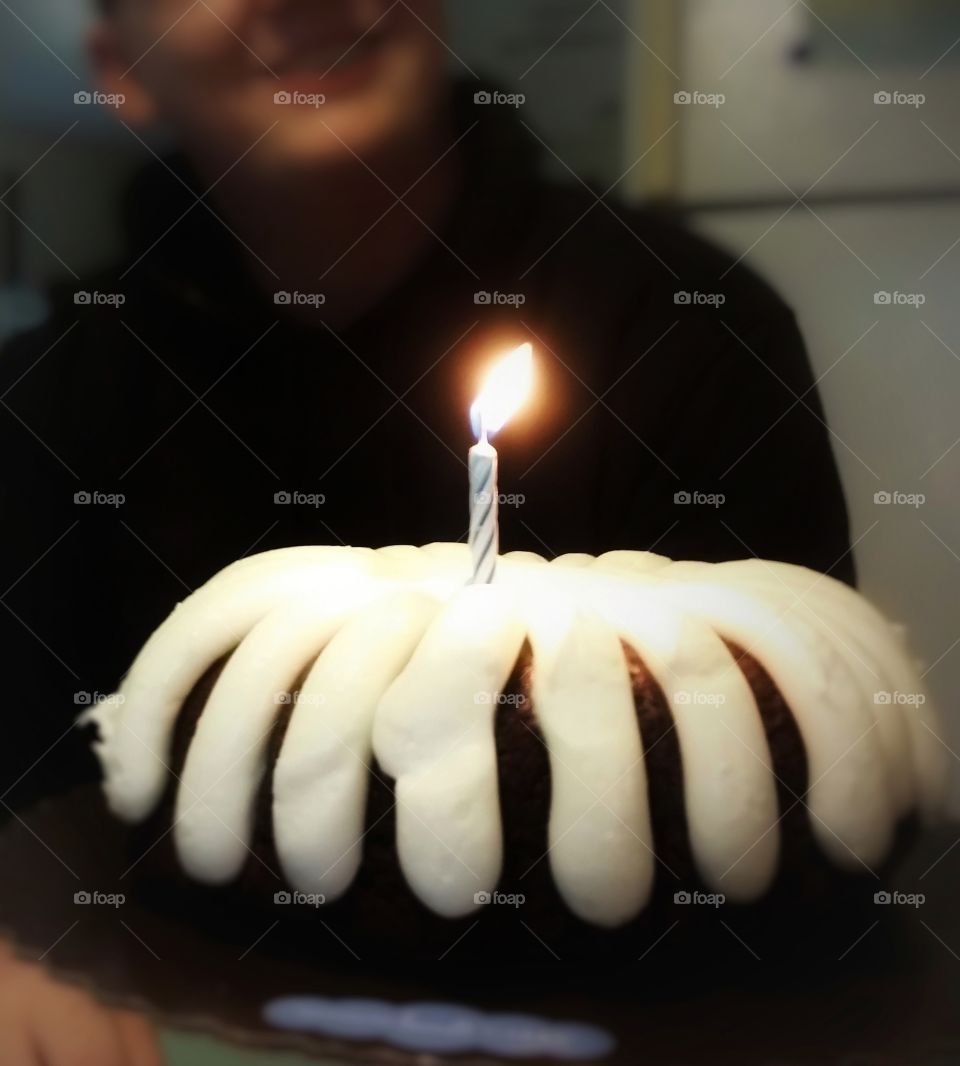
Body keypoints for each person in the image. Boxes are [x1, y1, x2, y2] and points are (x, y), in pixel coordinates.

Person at [0, 1, 854, 1060]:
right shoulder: (49, 398)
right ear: (119, 67)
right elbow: (25, 762)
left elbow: (791, 786)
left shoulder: (688, 322)